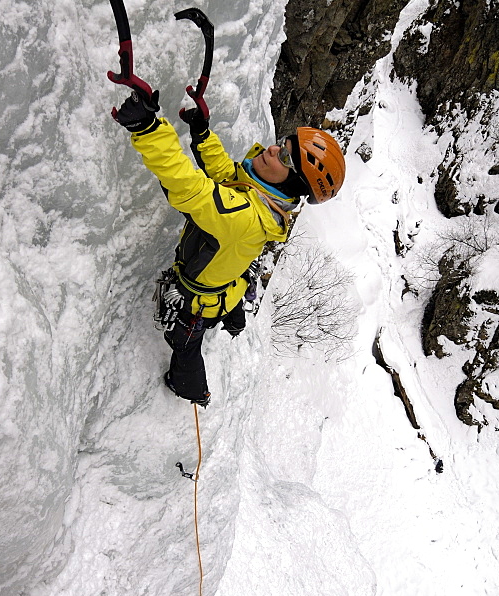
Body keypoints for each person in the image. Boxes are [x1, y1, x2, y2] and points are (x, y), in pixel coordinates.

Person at [114, 85, 346, 406]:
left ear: (294, 183)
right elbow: (228, 174)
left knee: (184, 346)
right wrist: (202, 134)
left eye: (286, 157)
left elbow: (189, 187)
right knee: (226, 290)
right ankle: (234, 318)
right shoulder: (264, 195)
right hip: (225, 280)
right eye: (282, 144)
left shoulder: (246, 216)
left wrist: (148, 129)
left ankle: (192, 391)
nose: (273, 150)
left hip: (197, 304)